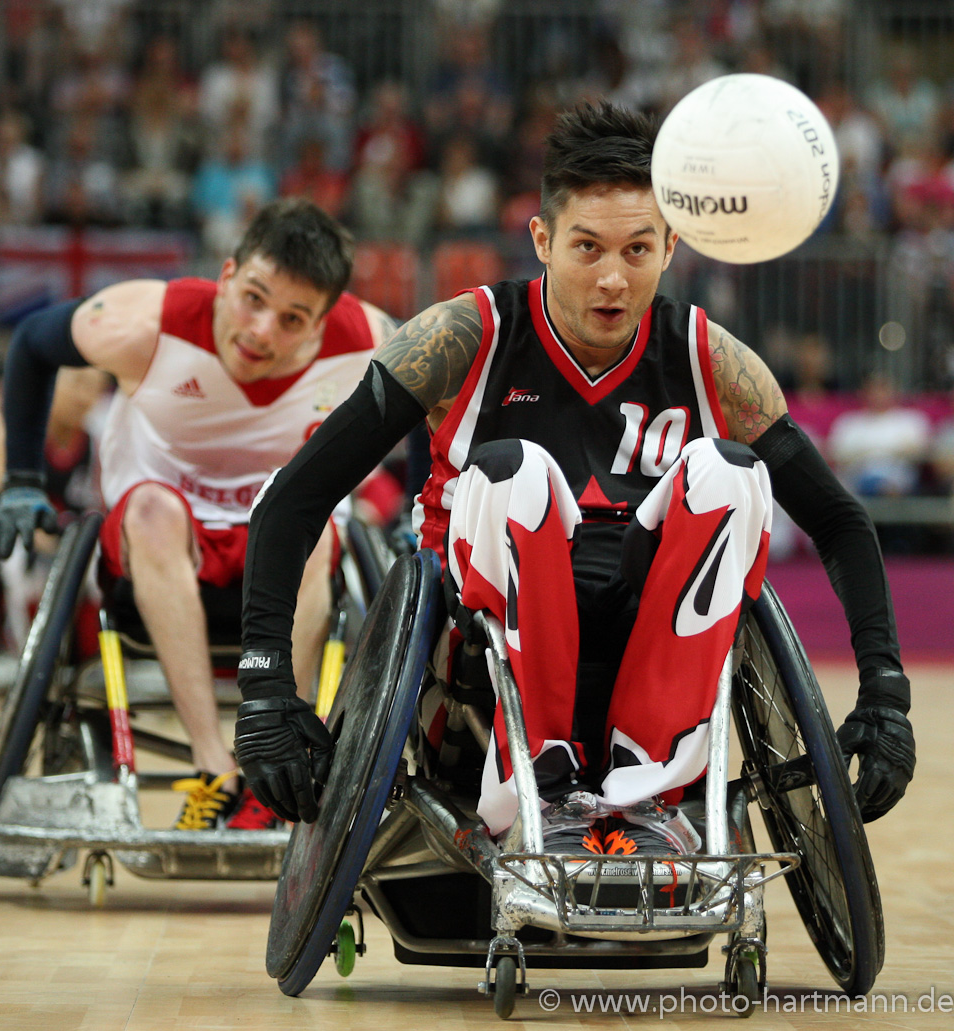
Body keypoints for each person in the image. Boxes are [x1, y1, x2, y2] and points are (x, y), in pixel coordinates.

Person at [235, 102, 916, 857]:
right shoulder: (463, 336)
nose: (612, 279)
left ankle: (648, 779)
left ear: (670, 248)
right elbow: (293, 497)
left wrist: (886, 688)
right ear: (543, 240)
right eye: (587, 247)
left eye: (636, 250)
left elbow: (841, 521)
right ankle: (539, 778)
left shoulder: (709, 357)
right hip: (474, 657)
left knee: (732, 473)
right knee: (515, 470)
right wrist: (266, 685)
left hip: (645, 641)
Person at [0, 198, 395, 830]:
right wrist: (21, 482)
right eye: (253, 298)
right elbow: (33, 346)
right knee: (150, 510)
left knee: (316, 528)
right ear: (226, 277)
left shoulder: (371, 339)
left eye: (291, 318)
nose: (261, 332)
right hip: (161, 538)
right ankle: (212, 766)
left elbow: (441, 401)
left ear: (322, 323)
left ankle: (277, 755)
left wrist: (422, 511)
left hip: (276, 543)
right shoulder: (144, 321)